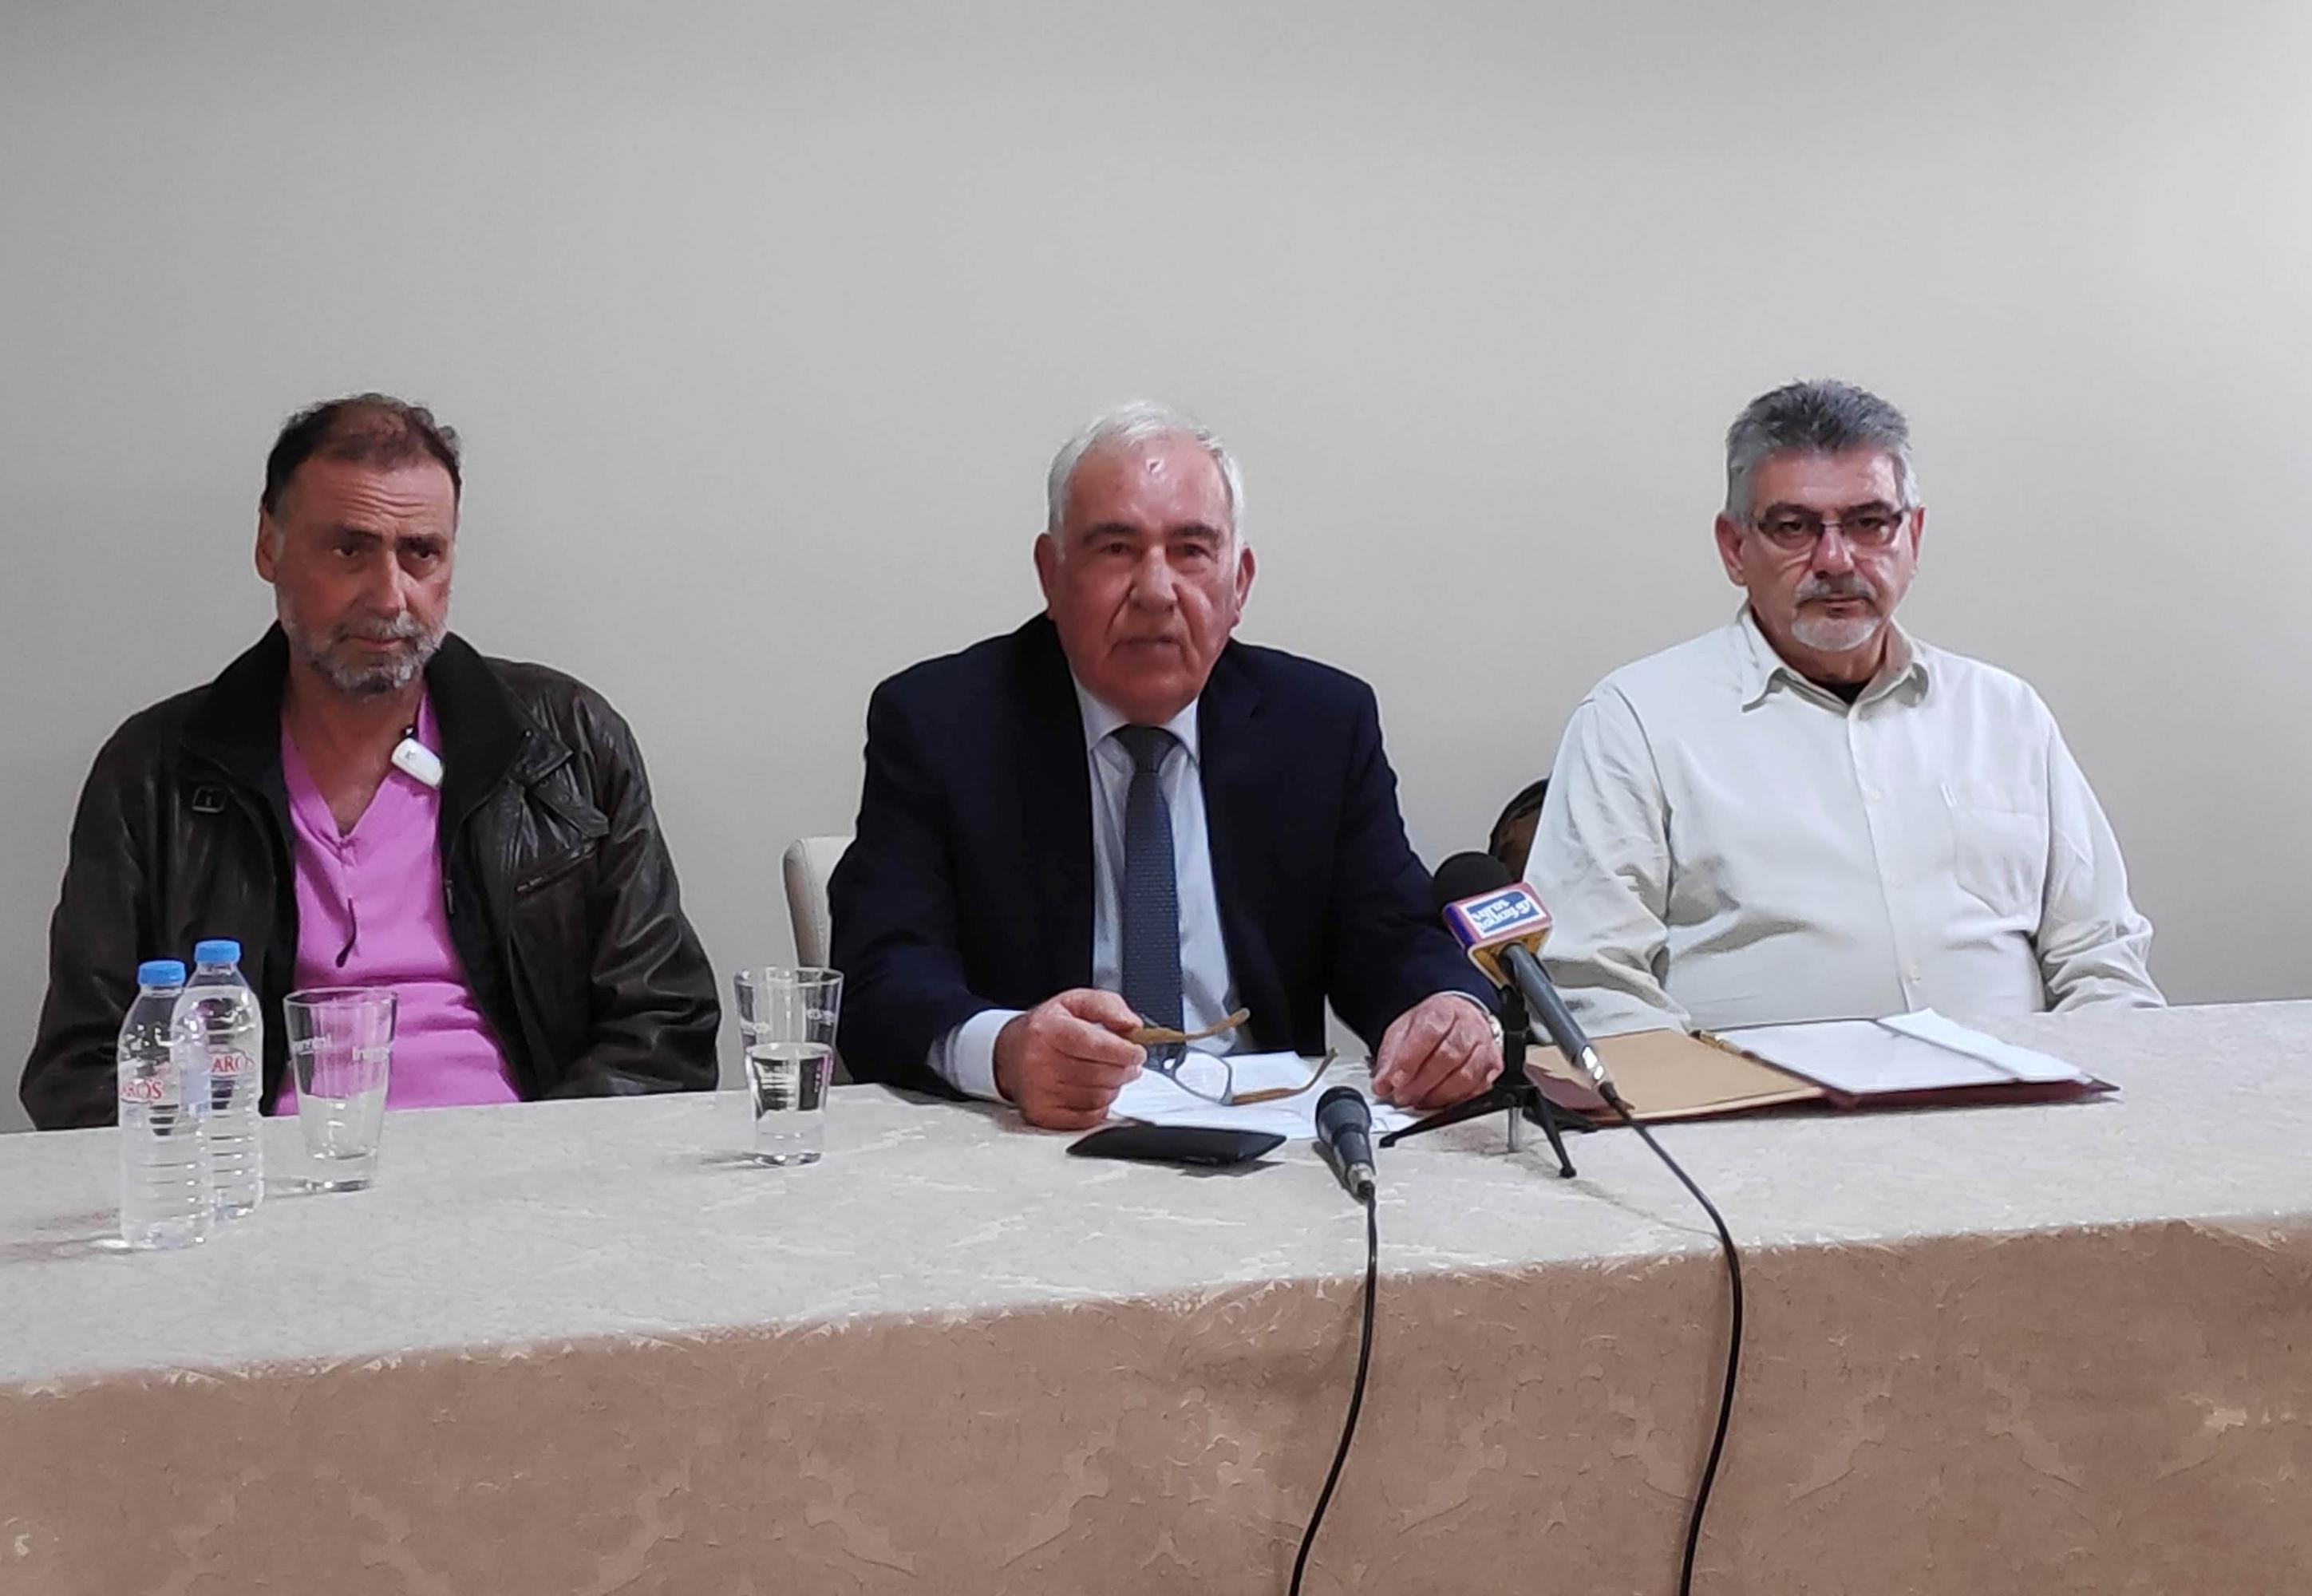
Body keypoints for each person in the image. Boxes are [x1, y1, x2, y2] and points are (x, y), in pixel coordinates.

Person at [22, 394, 719, 1128]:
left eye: (421, 553)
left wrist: (544, 1162)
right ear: (269, 546)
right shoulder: (156, 771)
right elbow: (83, 1065)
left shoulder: (565, 743)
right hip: (258, 1169)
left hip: (521, 1158)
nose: (390, 597)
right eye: (349, 550)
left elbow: (663, 1023)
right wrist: (217, 1170)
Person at [829, 401, 1502, 1129]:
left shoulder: (1319, 725)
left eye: (1190, 551)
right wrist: (1005, 1051)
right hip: (1030, 1144)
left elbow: (1392, 935)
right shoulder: (941, 724)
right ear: (1051, 575)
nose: (1154, 592)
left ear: (1238, 584)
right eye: (1116, 549)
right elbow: (881, 979)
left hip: (1264, 1147)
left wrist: (1448, 1011)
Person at [1526, 378, 2163, 1037]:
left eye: (1869, 523)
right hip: (1756, 1099)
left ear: (1912, 536)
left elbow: (2101, 958)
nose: (1834, 560)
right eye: (1793, 528)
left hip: (2025, 1093)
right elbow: (1590, 982)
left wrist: (2104, 1081)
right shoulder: (1635, 720)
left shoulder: (2003, 713)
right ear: (1734, 548)